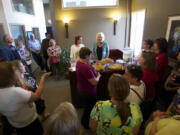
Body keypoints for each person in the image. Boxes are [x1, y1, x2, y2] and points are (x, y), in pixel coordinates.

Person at [0, 62, 51, 135]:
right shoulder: (16, 92)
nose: (17, 71)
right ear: (10, 77)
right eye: (14, 71)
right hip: (30, 122)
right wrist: (43, 78)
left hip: (16, 124)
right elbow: (37, 95)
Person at [76, 47, 101, 129]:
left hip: (82, 89)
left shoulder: (79, 63)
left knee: (87, 108)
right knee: (89, 109)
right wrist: (98, 76)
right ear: (86, 55)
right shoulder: (85, 67)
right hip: (88, 92)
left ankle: (84, 121)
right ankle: (86, 125)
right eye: (89, 55)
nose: (90, 57)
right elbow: (94, 82)